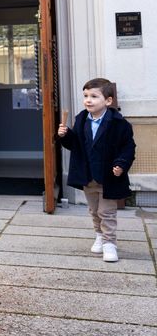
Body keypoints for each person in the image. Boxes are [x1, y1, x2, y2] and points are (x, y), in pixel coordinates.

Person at [57, 78, 135, 263]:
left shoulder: (119, 124)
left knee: (107, 212)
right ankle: (99, 235)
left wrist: (121, 164)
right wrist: (65, 135)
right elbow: (75, 145)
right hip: (88, 175)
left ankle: (110, 244)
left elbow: (128, 148)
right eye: (85, 96)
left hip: (108, 176)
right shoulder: (81, 119)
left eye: (94, 96)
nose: (88, 100)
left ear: (108, 101)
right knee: (94, 210)